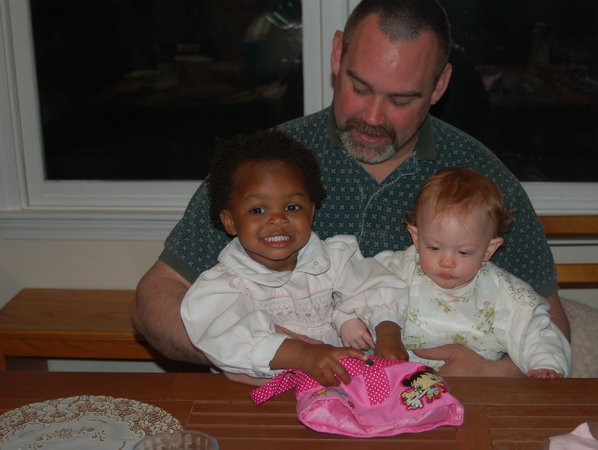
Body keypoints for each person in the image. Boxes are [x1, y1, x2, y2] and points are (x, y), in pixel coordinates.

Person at [133, 0, 570, 377]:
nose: (373, 118)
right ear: (337, 53)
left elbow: (550, 321)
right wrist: (255, 355)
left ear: (439, 85)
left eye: (401, 99)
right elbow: (154, 301)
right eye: (359, 87)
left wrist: (499, 375)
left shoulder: (479, 178)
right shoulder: (266, 168)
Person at [179, 130, 409, 386]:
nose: (278, 219)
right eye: (258, 210)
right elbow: (224, 337)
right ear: (230, 221)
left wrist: (388, 335)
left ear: (311, 211)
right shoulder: (225, 285)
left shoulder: (334, 260)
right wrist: (304, 355)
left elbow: (374, 286)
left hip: (336, 391)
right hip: (258, 397)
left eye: (292, 207)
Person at [374, 168, 571, 379]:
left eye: (463, 252)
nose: (447, 262)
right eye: (434, 248)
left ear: (488, 249)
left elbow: (537, 334)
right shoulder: (396, 271)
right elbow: (359, 293)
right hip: (395, 387)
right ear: (416, 237)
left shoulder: (506, 294)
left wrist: (545, 366)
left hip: (475, 388)